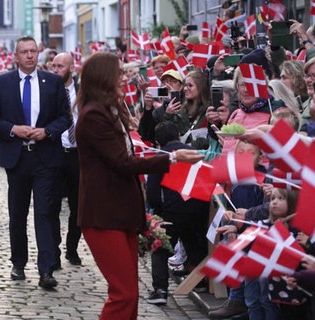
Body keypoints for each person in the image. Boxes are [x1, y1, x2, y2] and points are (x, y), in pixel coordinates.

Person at [75, 52, 203, 319]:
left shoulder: (109, 111)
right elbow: (123, 163)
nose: (125, 78)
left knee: (129, 293)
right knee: (124, 294)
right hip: (104, 215)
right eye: (119, 73)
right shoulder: (93, 116)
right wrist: (172, 157)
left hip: (121, 213)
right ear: (103, 79)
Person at [0, 36, 72, 289]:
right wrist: (13, 129)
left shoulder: (53, 82)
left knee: (45, 212)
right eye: (25, 52)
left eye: (34, 51)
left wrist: (47, 132)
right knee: (18, 213)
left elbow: (64, 118)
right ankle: (18, 262)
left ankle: (46, 270)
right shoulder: (2, 83)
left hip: (45, 156)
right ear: (16, 56)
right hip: (17, 157)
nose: (30, 56)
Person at [146, 121, 210, 305]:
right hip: (196, 209)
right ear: (178, 134)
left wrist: (158, 211)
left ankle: (160, 290)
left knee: (160, 249)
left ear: (158, 141)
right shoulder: (194, 154)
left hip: (171, 212)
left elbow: (152, 191)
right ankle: (199, 282)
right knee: (194, 245)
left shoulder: (164, 156)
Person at [50, 52, 82, 266]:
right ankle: (54, 250)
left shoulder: (83, 91)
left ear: (71, 68)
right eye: (54, 66)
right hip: (55, 151)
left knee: (77, 206)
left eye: (60, 66)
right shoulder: (49, 89)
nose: (56, 70)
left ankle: (72, 248)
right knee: (51, 205)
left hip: (79, 154)